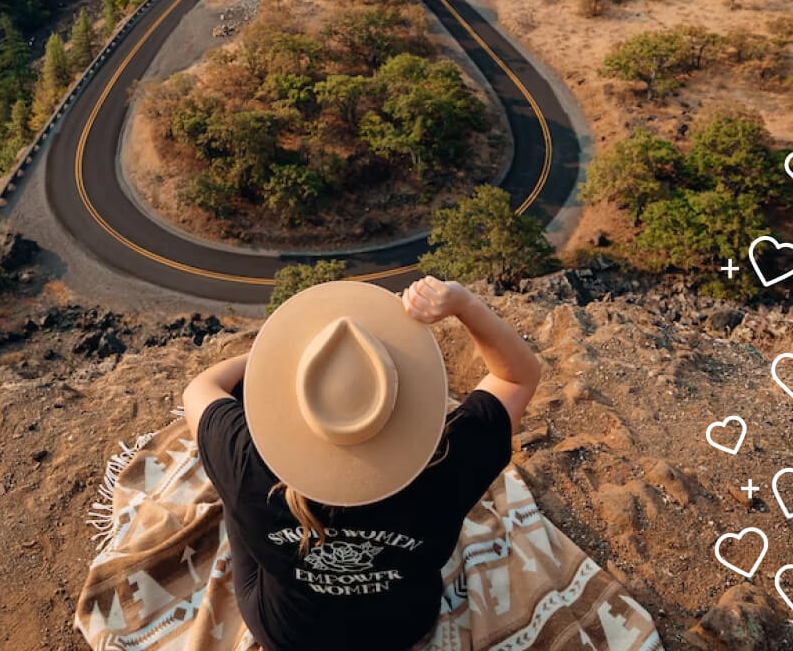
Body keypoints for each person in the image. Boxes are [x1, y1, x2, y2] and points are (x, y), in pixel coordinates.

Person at [182, 276, 542, 651]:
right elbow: (518, 377)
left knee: (235, 486)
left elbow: (200, 389)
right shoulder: (451, 459)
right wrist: (466, 305)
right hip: (403, 627)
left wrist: (268, 359)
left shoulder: (244, 458)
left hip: (287, 634)